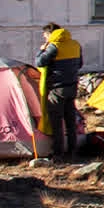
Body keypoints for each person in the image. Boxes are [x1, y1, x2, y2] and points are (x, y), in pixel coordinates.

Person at [35, 22, 85, 156]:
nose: (44, 37)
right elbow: (80, 64)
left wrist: (41, 50)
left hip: (57, 89)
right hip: (72, 86)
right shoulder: (75, 44)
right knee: (70, 121)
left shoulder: (53, 46)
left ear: (50, 33)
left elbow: (39, 62)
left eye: (45, 35)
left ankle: (58, 153)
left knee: (56, 122)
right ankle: (72, 151)